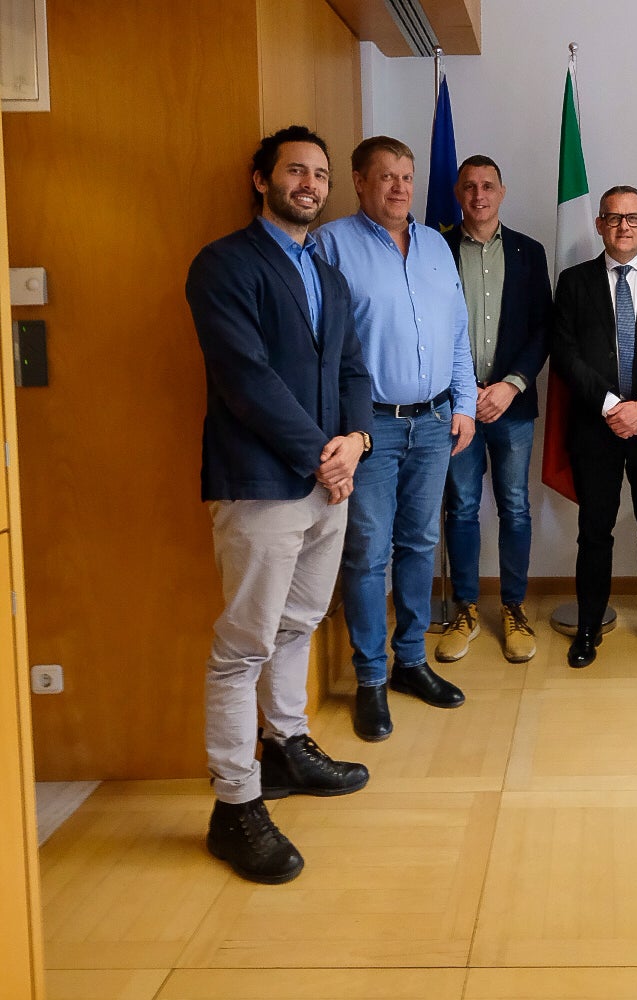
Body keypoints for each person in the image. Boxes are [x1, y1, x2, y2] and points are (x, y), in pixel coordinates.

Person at [186, 125, 372, 884]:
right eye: (296, 170)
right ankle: (234, 805)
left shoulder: (327, 275)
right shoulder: (223, 265)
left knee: (298, 624)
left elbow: (355, 368)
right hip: (262, 483)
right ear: (261, 178)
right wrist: (322, 456)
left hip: (329, 482)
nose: (310, 183)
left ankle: (287, 748)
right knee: (243, 648)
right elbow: (245, 378)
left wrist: (355, 440)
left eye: (320, 174)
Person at [316, 137, 478, 741]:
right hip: (371, 427)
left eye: (406, 176)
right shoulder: (332, 245)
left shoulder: (437, 244)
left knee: (418, 543)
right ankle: (371, 678)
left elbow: (457, 333)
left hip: (436, 422)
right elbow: (323, 348)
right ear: (358, 182)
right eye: (386, 177)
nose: (400, 187)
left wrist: (464, 404)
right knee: (367, 553)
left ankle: (411, 661)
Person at [551, 185, 637, 668]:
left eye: (633, 218)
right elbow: (565, 354)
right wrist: (612, 405)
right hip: (597, 427)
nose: (623, 226)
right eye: (613, 218)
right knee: (595, 532)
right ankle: (589, 627)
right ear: (599, 225)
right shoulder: (573, 282)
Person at [435, 155, 552, 664]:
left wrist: (510, 385)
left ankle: (513, 607)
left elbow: (542, 328)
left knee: (515, 506)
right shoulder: (431, 248)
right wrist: (465, 391)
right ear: (457, 194)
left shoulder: (530, 252)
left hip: (512, 404)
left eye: (487, 186)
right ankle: (464, 608)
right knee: (460, 507)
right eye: (469, 187)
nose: (478, 195)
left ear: (502, 192)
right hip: (456, 407)